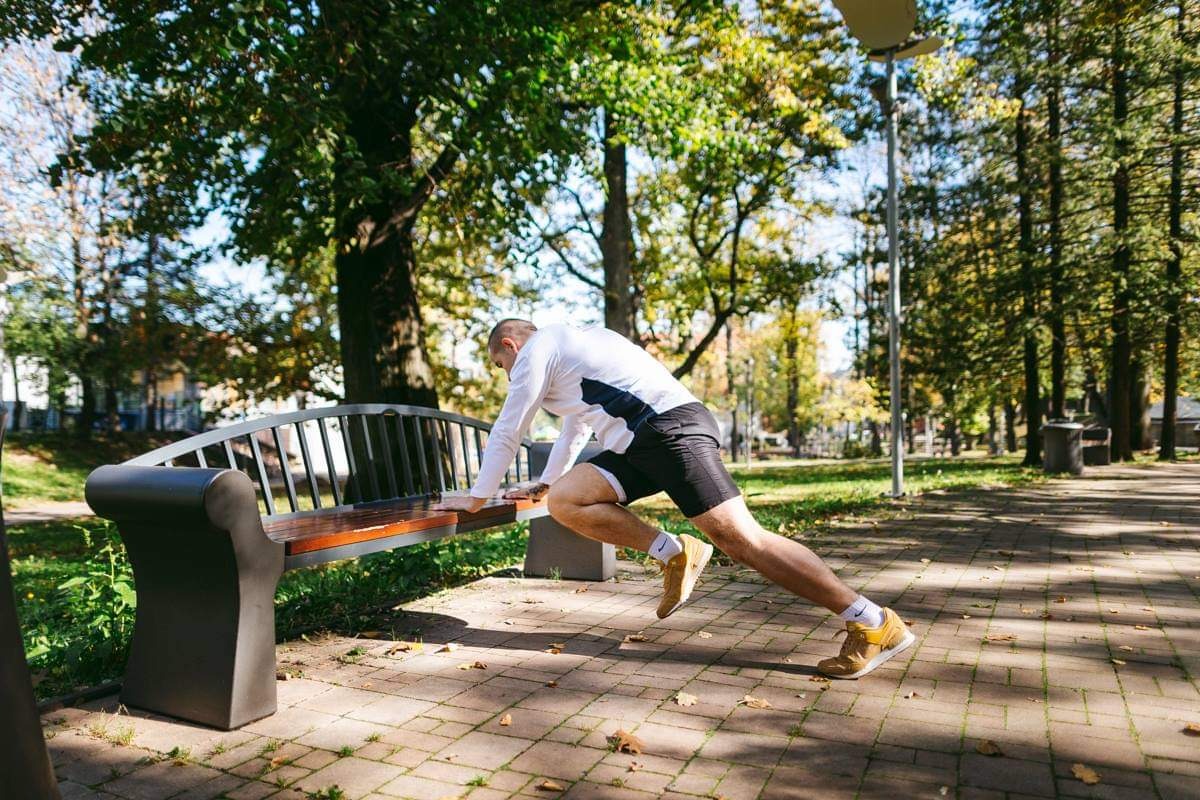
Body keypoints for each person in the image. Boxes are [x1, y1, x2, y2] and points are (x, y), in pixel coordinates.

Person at [435, 320, 913, 678]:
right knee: (565, 499)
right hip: (641, 443)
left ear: (510, 346)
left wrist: (476, 499)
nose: (506, 375)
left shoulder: (538, 349)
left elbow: (509, 427)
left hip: (669, 430)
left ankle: (873, 622)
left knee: (744, 541)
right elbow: (578, 426)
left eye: (500, 366)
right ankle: (675, 551)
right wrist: (545, 481)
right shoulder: (572, 348)